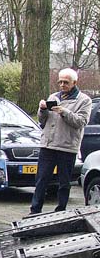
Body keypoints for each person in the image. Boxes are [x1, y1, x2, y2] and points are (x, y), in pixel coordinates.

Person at [29, 68, 92, 214]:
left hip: (67, 147)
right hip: (48, 145)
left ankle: (61, 211)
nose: (62, 85)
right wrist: (42, 109)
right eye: (60, 82)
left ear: (74, 83)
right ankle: (35, 210)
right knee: (41, 180)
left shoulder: (84, 100)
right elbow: (42, 120)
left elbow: (81, 122)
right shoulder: (53, 96)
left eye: (66, 82)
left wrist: (64, 111)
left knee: (64, 183)